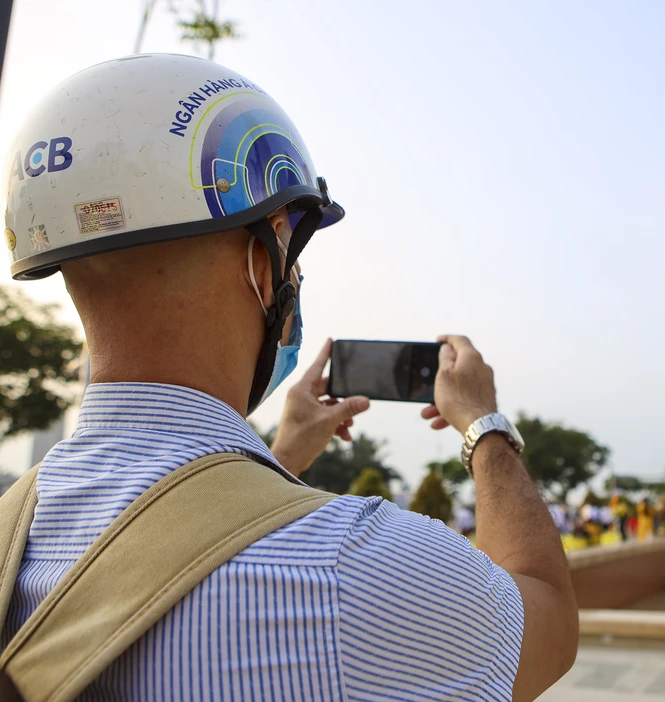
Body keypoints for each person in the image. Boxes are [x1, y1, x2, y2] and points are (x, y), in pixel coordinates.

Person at [0, 54, 577, 700]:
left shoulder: (10, 526)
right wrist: (483, 426)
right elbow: (548, 618)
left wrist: (277, 462)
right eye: (293, 256)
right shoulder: (352, 568)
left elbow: (160, 547)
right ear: (265, 254)